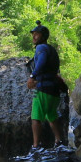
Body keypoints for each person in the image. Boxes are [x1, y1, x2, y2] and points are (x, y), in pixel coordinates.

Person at [26, 20, 65, 153]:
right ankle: (59, 141)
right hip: (54, 90)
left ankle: (36, 146)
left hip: (44, 89)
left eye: (37, 34)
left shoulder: (41, 48)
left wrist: (33, 76)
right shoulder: (52, 49)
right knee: (51, 116)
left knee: (36, 117)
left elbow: (41, 62)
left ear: (43, 36)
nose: (34, 37)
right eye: (33, 34)